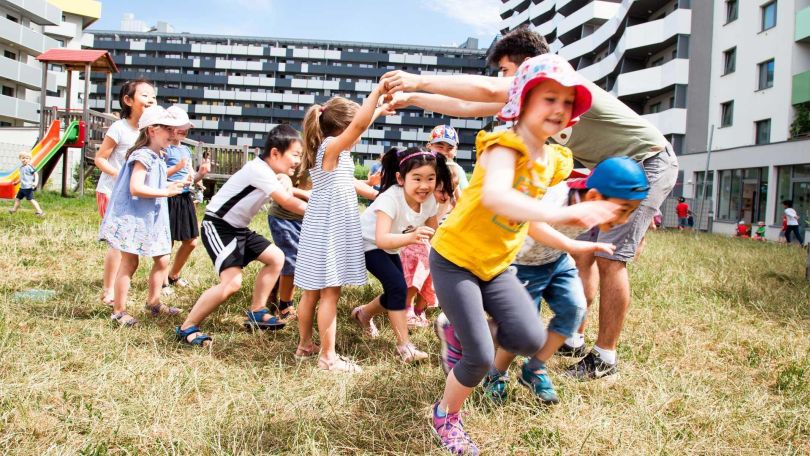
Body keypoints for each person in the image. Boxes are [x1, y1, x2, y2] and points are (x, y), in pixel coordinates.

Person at [380, 25, 679, 381]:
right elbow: (470, 106)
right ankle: (574, 338)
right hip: (612, 169)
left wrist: (417, 80)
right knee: (583, 255)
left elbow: (486, 91)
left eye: (506, 71)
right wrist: (415, 99)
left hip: (645, 163)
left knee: (611, 258)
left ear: (527, 66)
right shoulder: (539, 100)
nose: (502, 80)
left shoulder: (559, 86)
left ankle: (605, 358)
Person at [424, 54, 619, 455]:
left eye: (567, 102)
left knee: (530, 337)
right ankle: (445, 415)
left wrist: (573, 244)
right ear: (524, 100)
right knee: (479, 357)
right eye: (549, 98)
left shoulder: (550, 161)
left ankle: (458, 329)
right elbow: (497, 198)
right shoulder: (503, 146)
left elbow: (525, 217)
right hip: (455, 260)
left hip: (495, 267)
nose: (559, 109)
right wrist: (563, 214)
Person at [482, 157, 649, 406]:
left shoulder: (594, 205)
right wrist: (570, 244)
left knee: (575, 309)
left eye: (631, 212)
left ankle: (534, 368)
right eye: (623, 210)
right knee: (521, 330)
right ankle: (496, 373)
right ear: (594, 197)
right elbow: (528, 223)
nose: (624, 220)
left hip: (557, 261)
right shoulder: (556, 197)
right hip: (522, 265)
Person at [175, 125, 307, 346]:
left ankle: (257, 311)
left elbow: (286, 187)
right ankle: (187, 327)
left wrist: (287, 179)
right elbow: (286, 201)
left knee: (276, 258)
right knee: (232, 283)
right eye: (295, 155)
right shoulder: (259, 170)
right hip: (218, 226)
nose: (298, 161)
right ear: (275, 153)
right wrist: (318, 212)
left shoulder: (268, 171)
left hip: (238, 229)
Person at [294, 87, 393, 373]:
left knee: (311, 292)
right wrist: (376, 96)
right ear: (344, 128)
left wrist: (379, 110)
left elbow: (349, 180)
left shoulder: (333, 151)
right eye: (354, 129)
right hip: (330, 230)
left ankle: (304, 346)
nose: (359, 135)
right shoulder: (331, 147)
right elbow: (358, 125)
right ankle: (328, 358)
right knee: (329, 294)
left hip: (320, 226)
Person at [352, 146, 452, 362]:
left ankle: (363, 314)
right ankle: (404, 346)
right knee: (398, 288)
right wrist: (412, 237)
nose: (424, 185)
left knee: (397, 291)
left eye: (430, 178)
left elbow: (434, 232)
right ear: (400, 178)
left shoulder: (430, 201)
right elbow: (381, 239)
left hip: (392, 245)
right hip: (366, 243)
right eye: (417, 178)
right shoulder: (389, 199)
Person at [98, 105, 189, 326]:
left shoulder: (158, 155)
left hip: (151, 217)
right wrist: (166, 191)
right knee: (130, 262)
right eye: (168, 129)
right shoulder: (143, 155)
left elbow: (152, 183)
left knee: (163, 258)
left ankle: (154, 302)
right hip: (134, 218)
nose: (173, 134)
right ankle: (119, 311)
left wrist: (171, 184)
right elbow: (136, 187)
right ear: (152, 130)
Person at [95, 79, 156, 307]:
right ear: (128, 100)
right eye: (145, 95)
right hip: (111, 192)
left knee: (127, 241)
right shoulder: (119, 128)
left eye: (153, 96)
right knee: (118, 242)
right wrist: (119, 176)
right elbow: (100, 158)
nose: (151, 100)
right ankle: (108, 290)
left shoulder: (150, 131)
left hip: (133, 194)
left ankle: (118, 286)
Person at [162, 106, 206, 295]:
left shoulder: (186, 150)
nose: (183, 130)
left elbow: (190, 176)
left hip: (185, 197)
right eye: (180, 127)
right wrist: (176, 170)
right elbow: (157, 176)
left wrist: (200, 174)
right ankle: (163, 282)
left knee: (191, 241)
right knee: (167, 242)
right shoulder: (163, 149)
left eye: (185, 127)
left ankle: (174, 275)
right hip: (169, 197)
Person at [266, 165, 311, 323]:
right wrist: (304, 193)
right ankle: (285, 306)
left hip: (305, 219)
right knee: (292, 260)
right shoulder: (298, 159)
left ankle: (272, 287)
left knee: (294, 260)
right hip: (284, 218)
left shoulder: (331, 160)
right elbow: (277, 179)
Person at [427, 125, 468, 192]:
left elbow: (466, 194)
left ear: (455, 151)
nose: (444, 152)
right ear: (429, 147)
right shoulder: (422, 166)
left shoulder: (458, 170)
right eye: (440, 147)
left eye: (450, 148)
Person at [8, 152, 44, 216]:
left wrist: (35, 182)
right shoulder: (21, 167)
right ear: (20, 159)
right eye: (23, 158)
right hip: (22, 188)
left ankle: (39, 211)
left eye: (27, 158)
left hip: (28, 187)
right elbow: (22, 177)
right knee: (17, 199)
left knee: (31, 199)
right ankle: (14, 210)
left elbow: (36, 174)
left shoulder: (29, 167)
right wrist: (17, 182)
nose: (25, 159)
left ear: (29, 159)